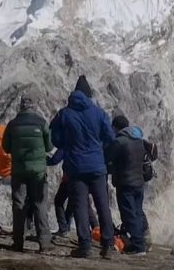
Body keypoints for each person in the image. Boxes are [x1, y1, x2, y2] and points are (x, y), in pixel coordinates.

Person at [51, 75, 116, 259]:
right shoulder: (99, 113)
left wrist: (68, 143)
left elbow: (54, 138)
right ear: (89, 95)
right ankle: (108, 245)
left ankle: (85, 246)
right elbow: (111, 138)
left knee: (79, 206)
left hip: (75, 167)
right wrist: (98, 147)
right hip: (97, 167)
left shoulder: (64, 114)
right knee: (103, 205)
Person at [2, 94, 54, 253]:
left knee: (19, 205)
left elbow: (5, 147)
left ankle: (18, 242)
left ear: (20, 106)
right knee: (40, 204)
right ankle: (44, 243)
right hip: (38, 172)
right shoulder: (42, 123)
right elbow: (49, 147)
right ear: (34, 106)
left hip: (19, 171)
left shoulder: (12, 125)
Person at [105, 114, 153, 255]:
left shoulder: (119, 142)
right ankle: (138, 243)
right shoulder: (138, 140)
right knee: (137, 213)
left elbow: (107, 157)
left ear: (115, 127)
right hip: (139, 183)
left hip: (125, 183)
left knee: (128, 215)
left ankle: (139, 247)